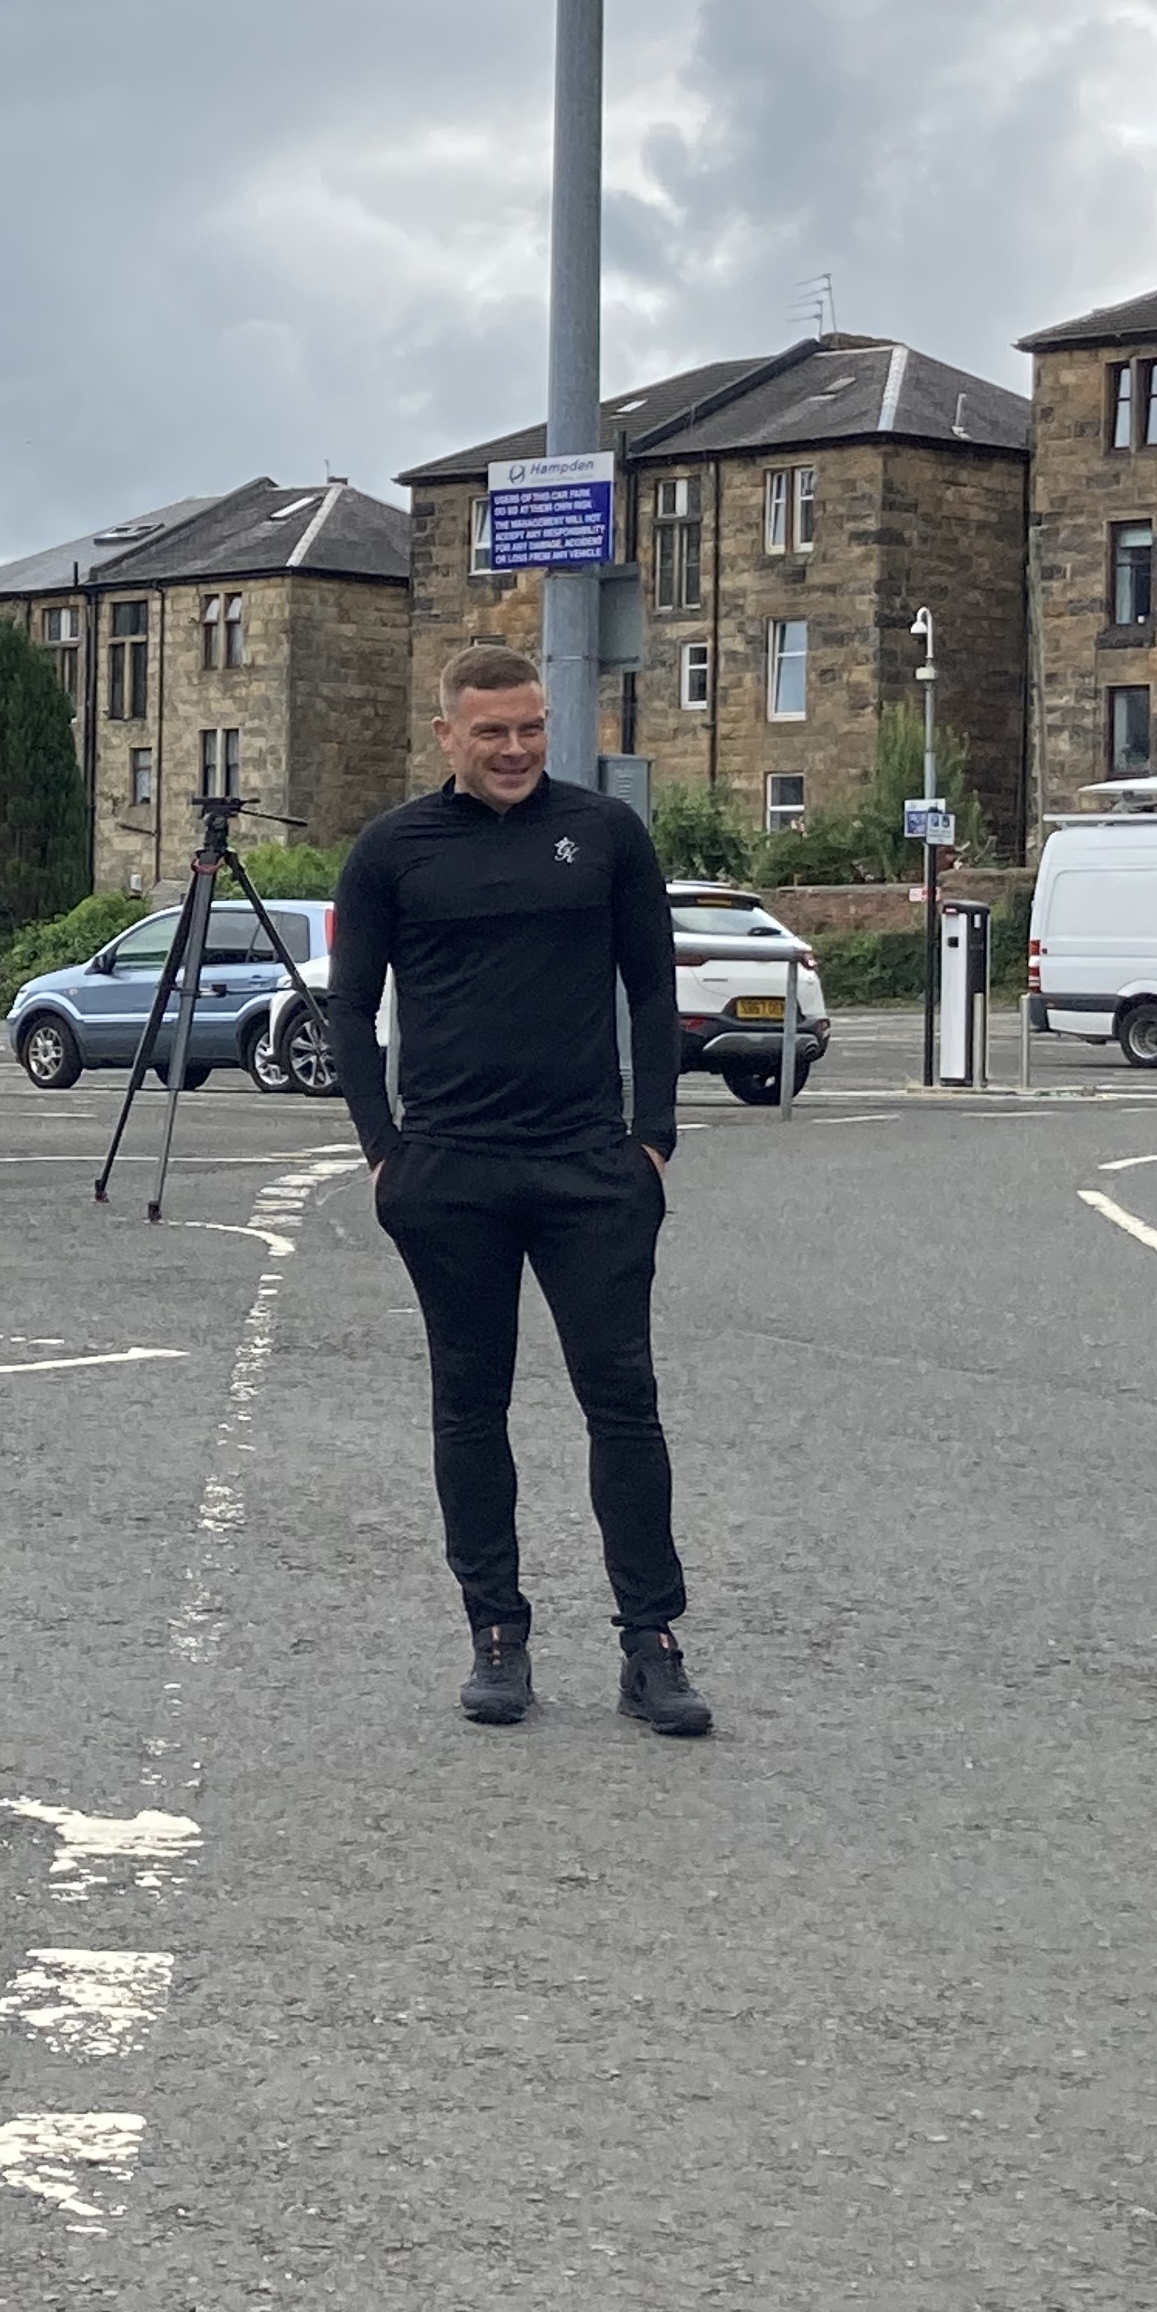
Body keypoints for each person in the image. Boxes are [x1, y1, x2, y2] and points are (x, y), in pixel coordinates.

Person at [324, 640, 710, 1736]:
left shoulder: (605, 835)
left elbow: (650, 987)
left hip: (589, 1167)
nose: (514, 748)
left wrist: (653, 1142)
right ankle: (496, 1632)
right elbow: (350, 1010)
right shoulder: (393, 850)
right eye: (491, 730)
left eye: (532, 726)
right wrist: (382, 1150)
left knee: (623, 1406)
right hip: (449, 1171)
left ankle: (653, 1642)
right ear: (446, 734)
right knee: (470, 1404)